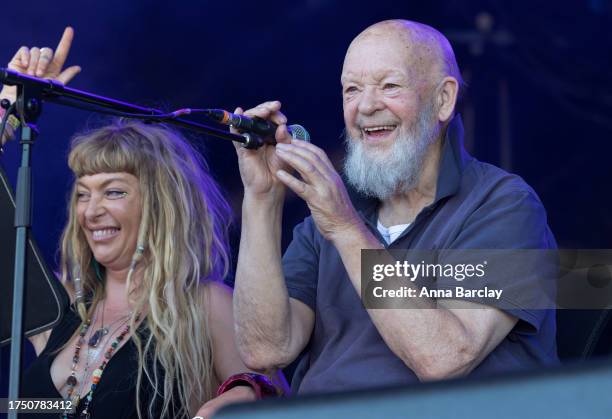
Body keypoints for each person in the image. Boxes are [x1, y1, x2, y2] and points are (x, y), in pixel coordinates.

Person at [232, 19, 559, 394]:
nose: (367, 106)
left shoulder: (504, 205)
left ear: (443, 100)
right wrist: (261, 199)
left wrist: (345, 229)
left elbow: (444, 359)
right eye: (352, 90)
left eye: (389, 86)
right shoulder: (328, 217)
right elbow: (266, 349)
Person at [1, 28, 284, 418]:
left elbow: (275, 396)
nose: (91, 210)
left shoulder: (203, 305)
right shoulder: (61, 303)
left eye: (113, 192)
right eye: (83, 194)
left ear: (160, 205)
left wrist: (244, 392)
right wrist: (4, 115)